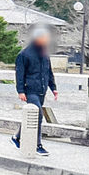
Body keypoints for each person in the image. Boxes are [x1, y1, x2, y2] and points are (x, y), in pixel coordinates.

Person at [11, 28, 58, 156]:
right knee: (37, 115)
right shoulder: (24, 54)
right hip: (30, 89)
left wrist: (53, 88)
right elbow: (19, 74)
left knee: (31, 116)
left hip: (41, 89)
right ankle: (37, 145)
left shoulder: (44, 54)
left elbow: (49, 72)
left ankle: (17, 137)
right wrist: (20, 91)